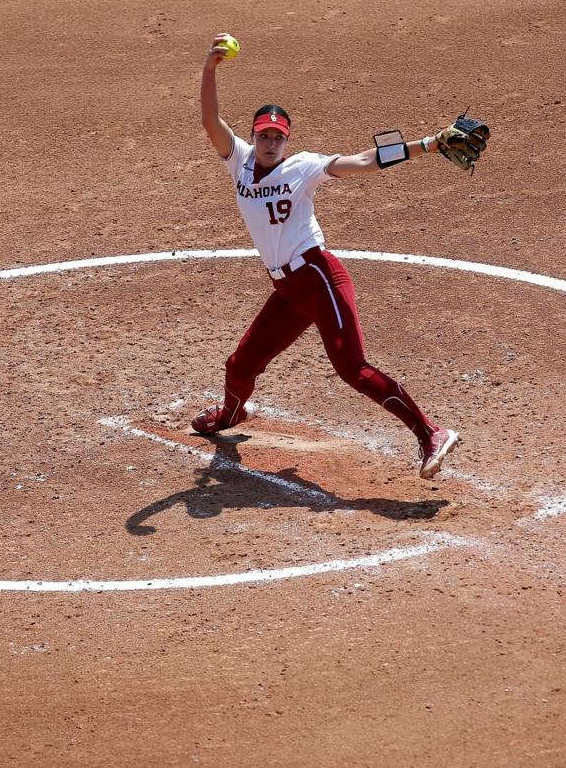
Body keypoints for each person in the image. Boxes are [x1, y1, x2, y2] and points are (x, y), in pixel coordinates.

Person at [192, 33, 460, 479]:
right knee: (240, 364)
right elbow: (209, 121)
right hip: (287, 289)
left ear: (287, 139)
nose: (271, 142)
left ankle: (430, 432)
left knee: (352, 368)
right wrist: (209, 68)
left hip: (318, 278)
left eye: (278, 136)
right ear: (254, 135)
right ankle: (229, 416)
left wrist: (427, 144)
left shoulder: (304, 167)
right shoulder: (237, 160)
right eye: (264, 135)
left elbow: (364, 160)